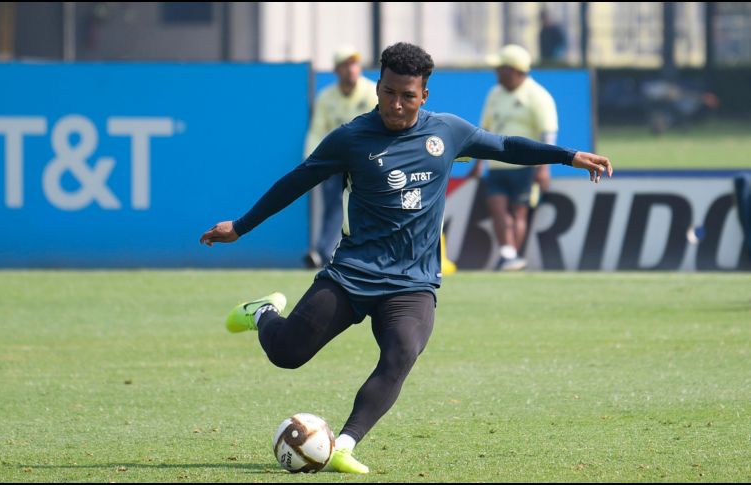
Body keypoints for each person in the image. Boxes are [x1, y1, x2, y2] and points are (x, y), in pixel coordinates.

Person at [200, 42, 612, 473]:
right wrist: (241, 226)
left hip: (412, 283)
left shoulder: (448, 132)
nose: (397, 104)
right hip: (351, 274)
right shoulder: (351, 138)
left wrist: (568, 156)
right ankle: (263, 311)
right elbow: (296, 181)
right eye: (389, 92)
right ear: (378, 88)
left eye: (408, 96)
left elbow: (506, 145)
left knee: (401, 353)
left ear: (424, 96)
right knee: (288, 354)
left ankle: (343, 444)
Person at [472, 44, 559, 270]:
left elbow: (547, 132)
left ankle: (510, 255)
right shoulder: (495, 94)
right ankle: (509, 254)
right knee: (497, 207)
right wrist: (478, 162)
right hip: (497, 164)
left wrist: (544, 167)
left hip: (525, 165)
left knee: (519, 211)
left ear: (515, 70)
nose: (497, 73)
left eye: (501, 68)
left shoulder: (537, 95)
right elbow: (484, 130)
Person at [303, 45, 378, 269]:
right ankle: (324, 252)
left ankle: (361, 254)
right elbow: (317, 130)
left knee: (371, 206)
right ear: (336, 70)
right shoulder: (326, 97)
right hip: (336, 162)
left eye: (354, 63)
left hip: (367, 162)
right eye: (345, 65)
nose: (351, 69)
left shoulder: (372, 91)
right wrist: (312, 161)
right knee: (335, 205)